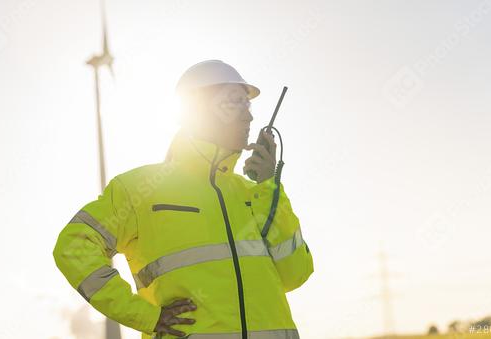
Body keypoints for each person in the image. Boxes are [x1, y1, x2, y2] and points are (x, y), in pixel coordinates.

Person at [53, 60, 314, 339]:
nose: (248, 117)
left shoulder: (257, 193)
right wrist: (144, 315)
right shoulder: (139, 188)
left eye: (247, 106)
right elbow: (74, 248)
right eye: (235, 103)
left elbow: (295, 274)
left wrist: (270, 188)